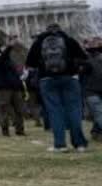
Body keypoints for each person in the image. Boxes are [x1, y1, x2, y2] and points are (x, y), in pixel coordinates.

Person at [26, 24, 89, 152]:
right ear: (60, 30)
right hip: (70, 78)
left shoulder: (38, 42)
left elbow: (30, 63)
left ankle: (60, 144)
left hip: (47, 80)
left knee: (55, 111)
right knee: (74, 110)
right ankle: (79, 144)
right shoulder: (69, 40)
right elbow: (84, 58)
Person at [0, 42, 26, 136]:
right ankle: (5, 130)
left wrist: (21, 88)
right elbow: (3, 57)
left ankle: (20, 129)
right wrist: (9, 47)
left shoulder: (10, 61)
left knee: (19, 110)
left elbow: (16, 75)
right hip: (4, 88)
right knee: (4, 109)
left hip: (15, 87)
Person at [82, 46, 102, 142]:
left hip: (90, 91)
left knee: (98, 113)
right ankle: (96, 132)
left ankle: (96, 132)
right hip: (93, 91)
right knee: (98, 113)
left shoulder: (87, 63)